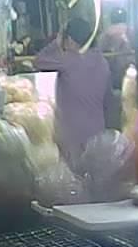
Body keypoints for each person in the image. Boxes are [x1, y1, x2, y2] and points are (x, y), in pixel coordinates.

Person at [35, 17, 111, 166]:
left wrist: (57, 43)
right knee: (95, 172)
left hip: (72, 133)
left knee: (75, 175)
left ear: (69, 39)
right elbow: (108, 99)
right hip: (97, 130)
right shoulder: (103, 61)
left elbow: (39, 61)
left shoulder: (67, 59)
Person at [97, 9, 133, 130]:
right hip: (130, 74)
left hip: (112, 78)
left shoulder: (105, 34)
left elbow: (99, 55)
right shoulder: (131, 31)